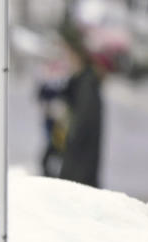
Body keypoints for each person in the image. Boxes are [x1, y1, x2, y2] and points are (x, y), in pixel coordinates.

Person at [57, 22, 104, 187]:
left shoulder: (86, 85)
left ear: (76, 54)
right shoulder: (79, 82)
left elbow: (81, 131)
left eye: (66, 52)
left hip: (80, 174)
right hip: (77, 169)